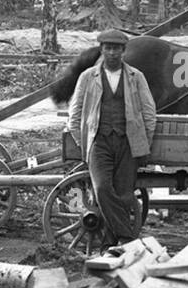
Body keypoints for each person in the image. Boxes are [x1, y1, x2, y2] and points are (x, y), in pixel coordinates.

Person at [67, 28, 157, 247]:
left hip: (128, 143)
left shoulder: (136, 77)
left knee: (125, 193)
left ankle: (109, 243)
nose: (112, 53)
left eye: (117, 49)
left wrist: (143, 142)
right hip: (99, 142)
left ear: (124, 51)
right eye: (108, 48)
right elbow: (75, 112)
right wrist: (83, 142)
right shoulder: (88, 77)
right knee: (102, 189)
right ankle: (127, 237)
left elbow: (148, 112)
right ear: (102, 50)